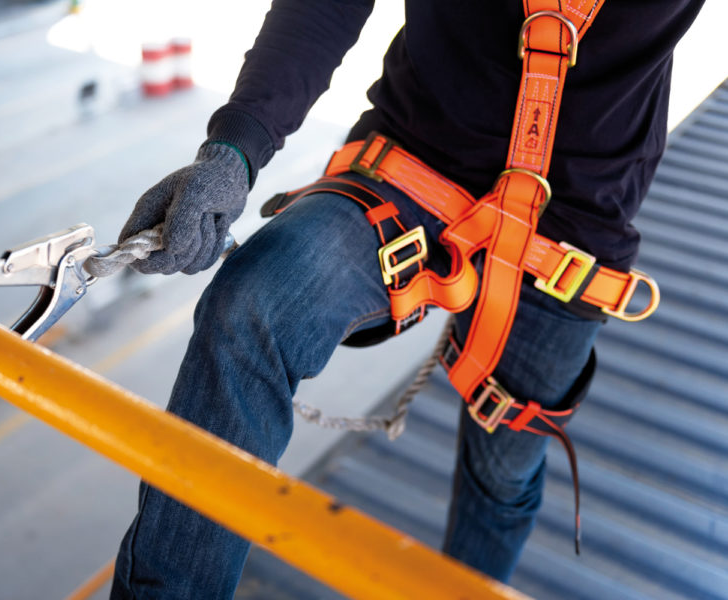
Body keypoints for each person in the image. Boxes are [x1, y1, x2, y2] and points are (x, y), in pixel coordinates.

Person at [109, 1, 705, 598]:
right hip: (414, 162)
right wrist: (235, 148)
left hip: (572, 228)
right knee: (250, 307)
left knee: (502, 473)